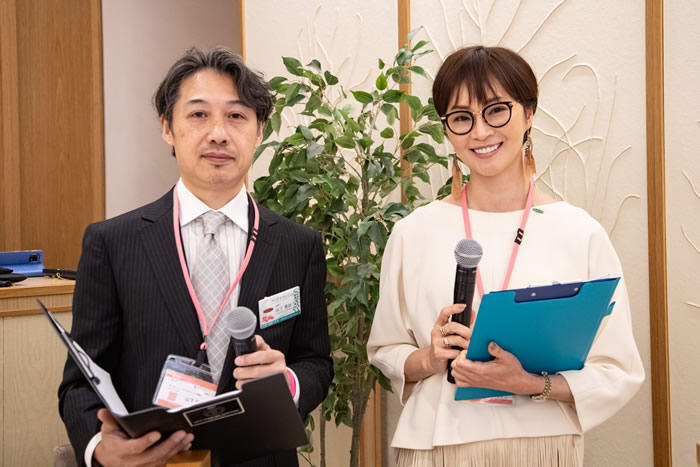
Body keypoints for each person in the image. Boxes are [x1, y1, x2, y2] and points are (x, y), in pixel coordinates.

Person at [367, 46, 644, 466]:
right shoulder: (413, 232)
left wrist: (530, 383)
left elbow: (616, 368)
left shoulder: (579, 232)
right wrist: (429, 357)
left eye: (496, 110)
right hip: (438, 445)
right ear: (447, 130)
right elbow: (386, 349)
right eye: (462, 118)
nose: (480, 132)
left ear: (528, 113)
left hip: (541, 445)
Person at [58, 46, 333, 467]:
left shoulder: (298, 245)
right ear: (167, 127)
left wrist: (289, 381)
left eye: (236, 116)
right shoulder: (112, 243)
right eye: (199, 114)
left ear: (259, 131)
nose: (218, 133)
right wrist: (100, 447)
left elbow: (316, 362)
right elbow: (81, 383)